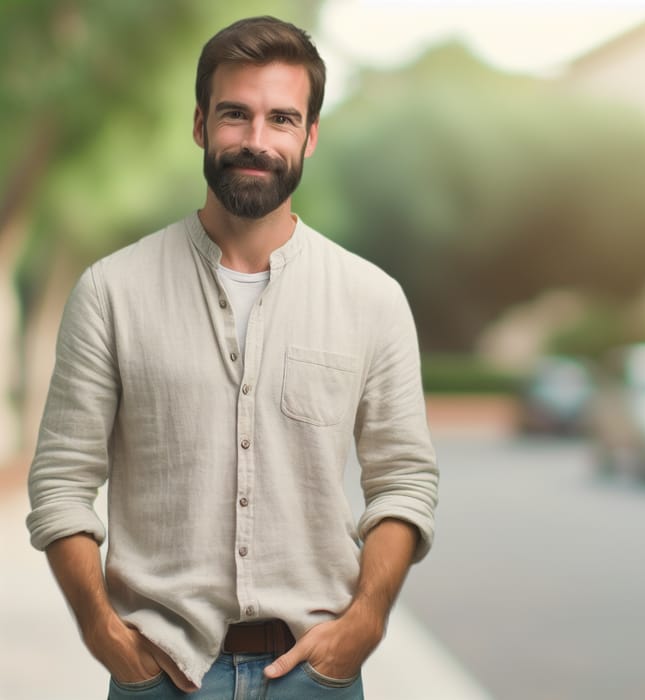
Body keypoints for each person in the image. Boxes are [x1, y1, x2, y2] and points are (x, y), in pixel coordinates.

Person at [26, 15, 438, 700]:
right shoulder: (110, 291)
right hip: (160, 675)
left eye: (281, 119)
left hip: (316, 675)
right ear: (199, 125)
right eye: (234, 115)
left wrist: (363, 625)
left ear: (309, 136)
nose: (256, 140)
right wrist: (103, 632)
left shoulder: (372, 299)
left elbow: (403, 481)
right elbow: (62, 482)